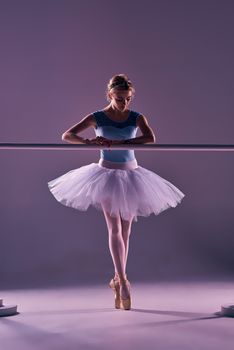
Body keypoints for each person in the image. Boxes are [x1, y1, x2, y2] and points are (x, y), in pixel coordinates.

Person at [47, 73, 185, 311]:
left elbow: (150, 138)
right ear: (110, 94)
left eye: (128, 99)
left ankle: (118, 279)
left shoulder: (136, 116)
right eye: (120, 98)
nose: (124, 103)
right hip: (107, 175)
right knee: (114, 229)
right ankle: (123, 282)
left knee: (126, 231)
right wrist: (89, 142)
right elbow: (67, 135)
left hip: (131, 174)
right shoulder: (97, 117)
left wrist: (129, 144)